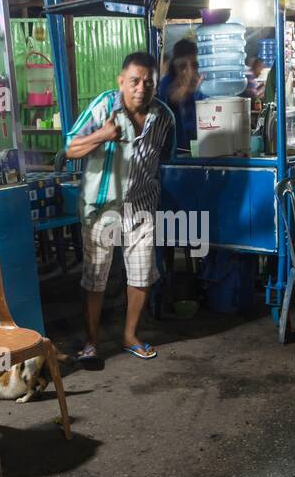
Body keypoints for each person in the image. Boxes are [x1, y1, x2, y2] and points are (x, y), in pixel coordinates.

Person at [65, 51, 175, 362]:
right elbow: (70, 147)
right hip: (101, 206)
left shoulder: (164, 117)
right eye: (135, 81)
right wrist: (103, 135)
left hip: (141, 205)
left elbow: (164, 158)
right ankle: (91, 341)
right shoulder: (103, 106)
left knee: (140, 274)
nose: (141, 88)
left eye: (148, 82)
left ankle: (129, 336)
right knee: (96, 275)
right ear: (121, 81)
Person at [157, 38, 203, 147]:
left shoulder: (204, 88)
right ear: (174, 68)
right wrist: (174, 100)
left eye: (195, 65)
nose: (190, 72)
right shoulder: (166, 84)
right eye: (182, 66)